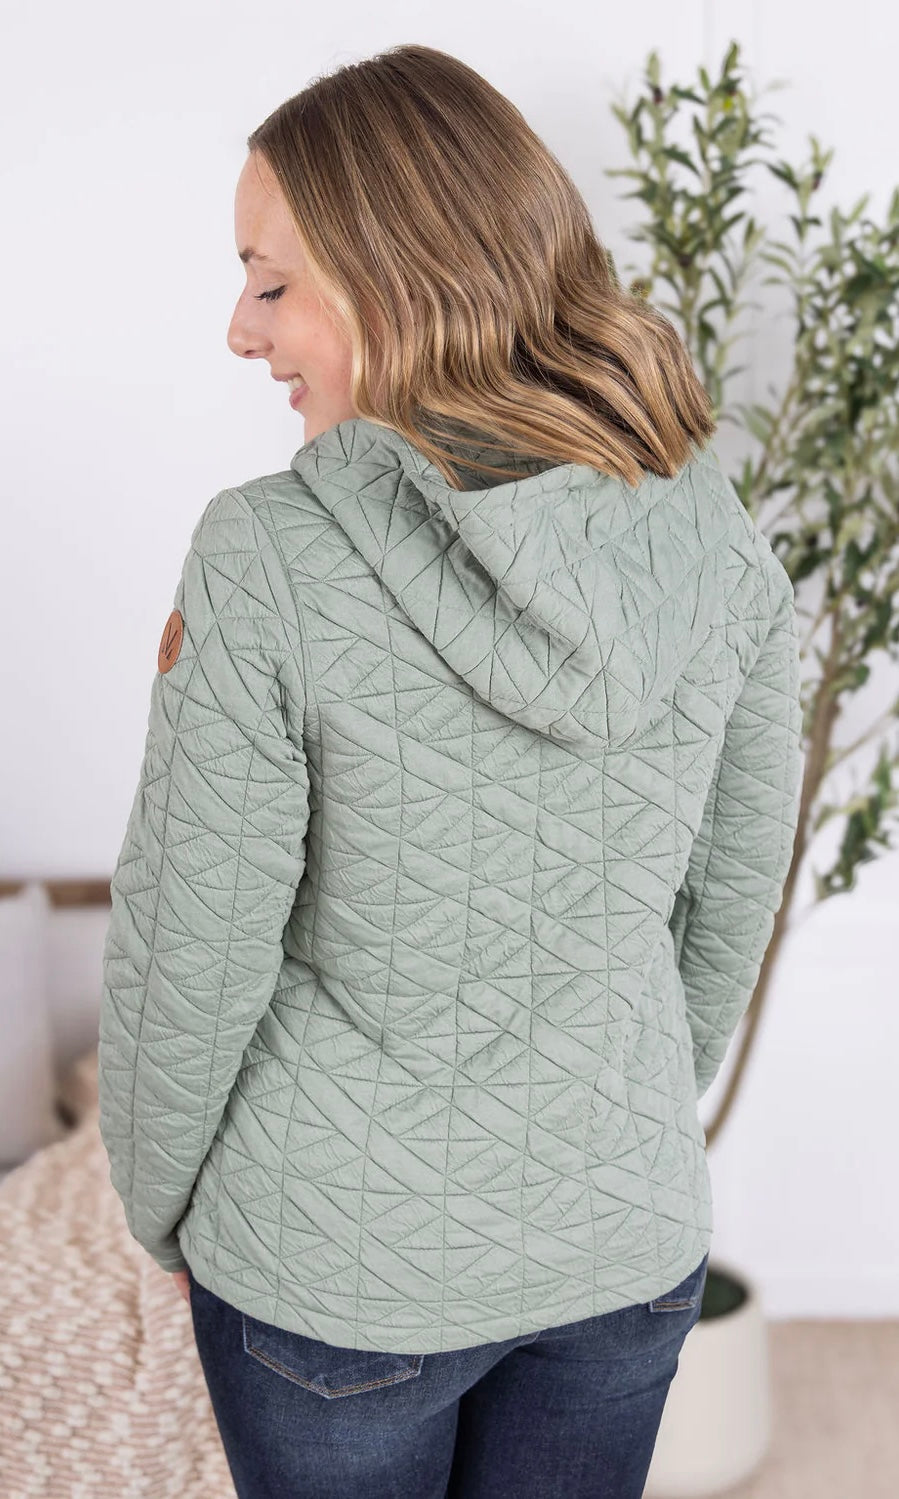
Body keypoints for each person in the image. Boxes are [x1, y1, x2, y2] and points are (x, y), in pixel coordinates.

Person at [97, 41, 803, 1499]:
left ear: (397, 279)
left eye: (272, 284)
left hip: (333, 1271)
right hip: (619, 1242)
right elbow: (735, 889)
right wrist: (607, 1121)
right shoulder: (712, 529)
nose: (240, 330)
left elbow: (190, 953)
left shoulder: (268, 556)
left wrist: (161, 1213)